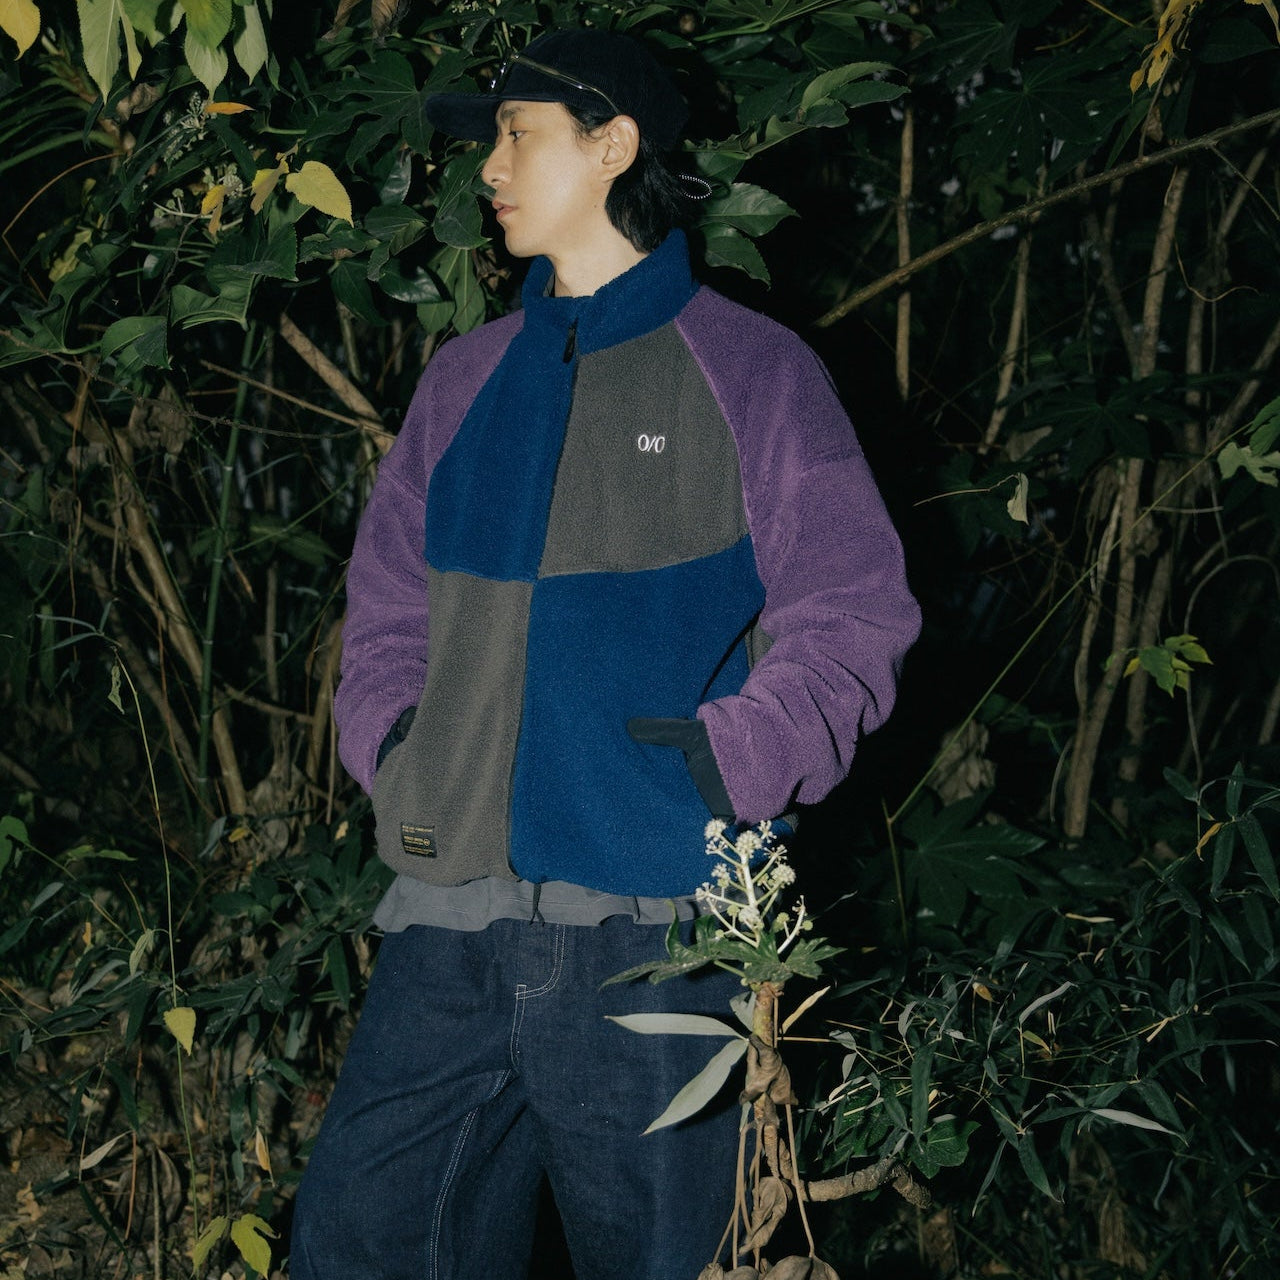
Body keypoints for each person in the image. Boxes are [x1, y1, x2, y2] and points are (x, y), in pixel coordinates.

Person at [289, 26, 920, 1280]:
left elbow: (852, 614)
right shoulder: (462, 378)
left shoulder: (753, 371)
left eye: (516, 133)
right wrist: (401, 750)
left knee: (675, 1260)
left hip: (658, 932)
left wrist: (724, 765)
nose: (489, 168)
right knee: (358, 1241)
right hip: (446, 916)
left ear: (612, 145)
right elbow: (389, 608)